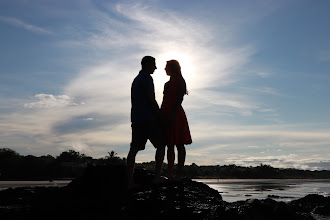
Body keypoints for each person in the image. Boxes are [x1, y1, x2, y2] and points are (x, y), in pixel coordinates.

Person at [127, 56, 166, 188]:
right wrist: (159, 114)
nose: (155, 67)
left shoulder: (136, 79)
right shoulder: (146, 78)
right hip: (148, 118)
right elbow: (151, 99)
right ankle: (156, 177)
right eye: (154, 64)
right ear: (147, 64)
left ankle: (130, 182)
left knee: (134, 149)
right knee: (161, 145)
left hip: (137, 118)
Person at [160, 60, 192, 180]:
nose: (164, 69)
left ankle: (178, 174)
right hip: (166, 113)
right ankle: (170, 173)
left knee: (179, 144)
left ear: (172, 68)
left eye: (166, 67)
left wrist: (172, 115)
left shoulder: (179, 81)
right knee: (169, 144)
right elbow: (164, 101)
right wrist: (161, 115)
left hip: (176, 114)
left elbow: (179, 100)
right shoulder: (166, 84)